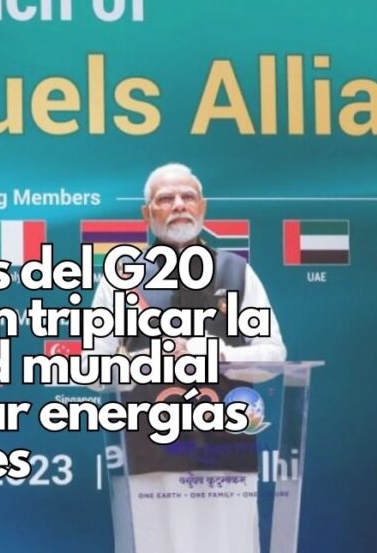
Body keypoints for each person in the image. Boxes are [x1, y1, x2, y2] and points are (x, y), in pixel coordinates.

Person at [89, 163, 286, 553]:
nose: (178, 205)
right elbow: (94, 369)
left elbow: (275, 355)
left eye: (188, 196)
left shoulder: (237, 271)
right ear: (147, 213)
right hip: (152, 452)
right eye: (165, 198)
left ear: (203, 207)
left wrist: (216, 354)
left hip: (226, 448)